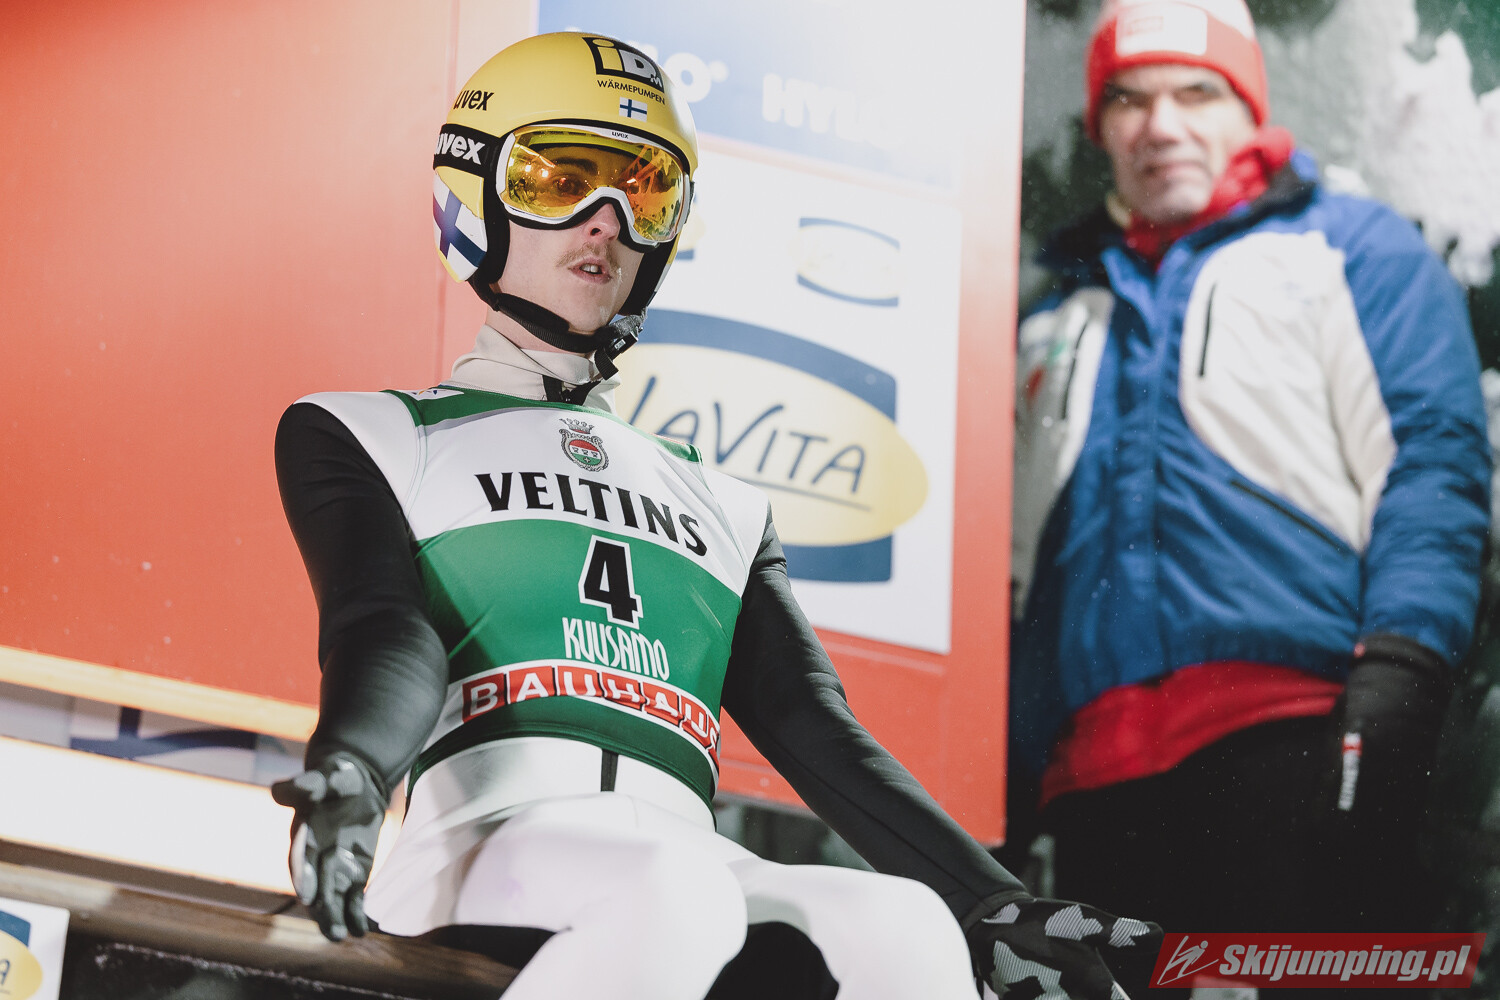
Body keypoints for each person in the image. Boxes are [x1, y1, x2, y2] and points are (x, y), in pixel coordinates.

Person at [269, 30, 1157, 1000]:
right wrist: (354, 767)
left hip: (686, 858)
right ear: (474, 193)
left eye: (642, 190)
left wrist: (990, 904)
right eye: (558, 179)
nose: (604, 222)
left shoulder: (723, 502)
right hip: (483, 842)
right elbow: (386, 632)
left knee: (905, 925)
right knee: (673, 894)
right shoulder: (374, 432)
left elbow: (815, 728)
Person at [1009, 0, 1491, 982]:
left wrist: (1399, 685)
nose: (1161, 124)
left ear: (1250, 106)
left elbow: (1431, 470)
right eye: (1129, 100)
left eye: (1197, 92)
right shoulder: (1058, 312)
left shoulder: (1355, 249)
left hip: (1299, 740)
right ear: (1100, 127)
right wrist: (1007, 775)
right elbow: (1015, 568)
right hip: (1093, 784)